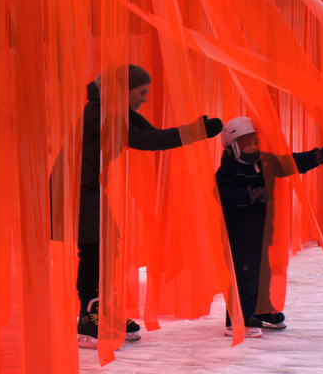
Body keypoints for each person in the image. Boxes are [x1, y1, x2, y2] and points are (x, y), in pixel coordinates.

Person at [77, 64, 223, 349]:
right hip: (72, 187)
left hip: (89, 187)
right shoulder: (99, 111)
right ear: (123, 90)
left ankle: (103, 310)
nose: (144, 98)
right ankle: (88, 317)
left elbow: (154, 135)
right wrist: (195, 132)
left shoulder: (120, 112)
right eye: (141, 92)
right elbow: (142, 141)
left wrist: (195, 130)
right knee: (94, 248)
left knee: (108, 247)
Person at [215, 116, 323, 338]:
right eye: (249, 144)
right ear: (233, 146)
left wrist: (318, 156)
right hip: (240, 234)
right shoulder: (227, 171)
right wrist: (249, 195)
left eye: (255, 142)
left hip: (261, 231)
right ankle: (238, 318)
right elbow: (226, 194)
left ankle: (259, 310)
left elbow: (288, 163)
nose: (254, 147)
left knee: (263, 272)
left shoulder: (262, 162)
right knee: (244, 275)